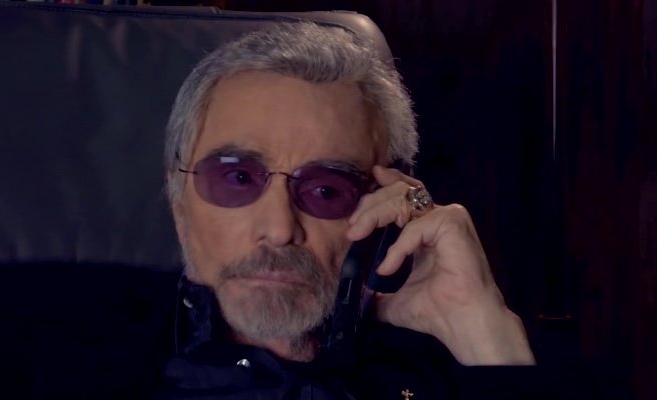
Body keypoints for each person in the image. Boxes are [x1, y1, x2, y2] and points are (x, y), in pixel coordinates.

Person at [160, 21, 553, 399]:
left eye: (327, 190)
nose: (280, 229)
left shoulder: (448, 371)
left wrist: (484, 335)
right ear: (179, 205)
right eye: (239, 178)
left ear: (389, 207)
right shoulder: (123, 362)